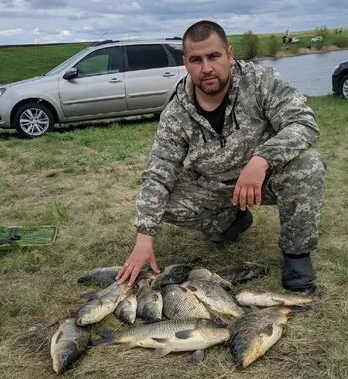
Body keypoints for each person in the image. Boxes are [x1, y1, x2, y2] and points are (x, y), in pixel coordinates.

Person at [117, 20, 325, 291]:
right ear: (186, 63)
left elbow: (304, 122)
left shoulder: (261, 81)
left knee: (308, 164)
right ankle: (231, 219)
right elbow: (159, 170)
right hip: (214, 185)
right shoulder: (177, 111)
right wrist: (144, 238)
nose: (206, 69)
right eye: (196, 60)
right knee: (160, 201)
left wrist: (262, 160)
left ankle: (297, 254)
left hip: (263, 177)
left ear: (229, 53)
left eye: (213, 56)